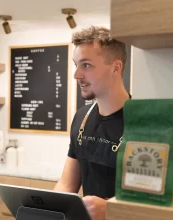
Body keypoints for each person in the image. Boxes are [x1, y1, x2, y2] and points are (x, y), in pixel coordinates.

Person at [54, 26, 130, 220]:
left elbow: (154, 200)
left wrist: (112, 209)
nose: (76, 75)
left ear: (116, 67)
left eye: (86, 65)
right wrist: (44, 209)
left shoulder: (144, 125)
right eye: (76, 65)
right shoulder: (82, 118)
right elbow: (66, 185)